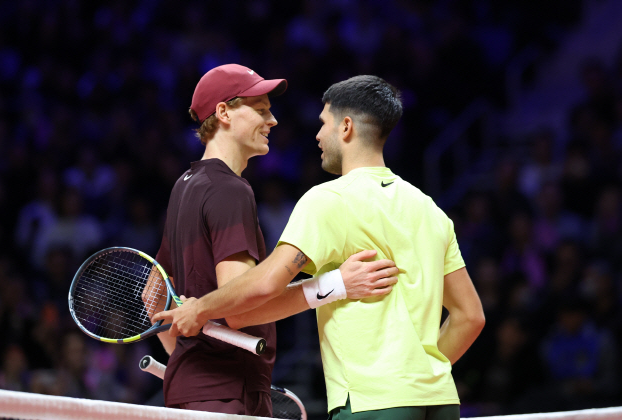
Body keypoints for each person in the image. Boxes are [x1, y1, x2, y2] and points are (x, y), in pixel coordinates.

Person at [155, 75, 485, 419]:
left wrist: (200, 309)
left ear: (346, 127)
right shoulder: (432, 211)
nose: (317, 135)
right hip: (440, 398)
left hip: (371, 401)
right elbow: (470, 317)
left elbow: (260, 289)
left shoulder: (327, 199)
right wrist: (417, 376)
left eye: (323, 123)